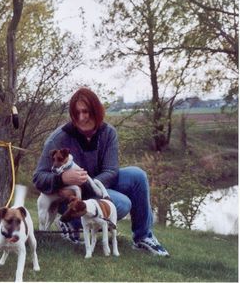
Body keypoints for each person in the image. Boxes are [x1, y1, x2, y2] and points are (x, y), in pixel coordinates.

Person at [33, 87, 169, 257]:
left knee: (137, 175)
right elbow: (38, 178)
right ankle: (71, 222)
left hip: (97, 187)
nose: (82, 118)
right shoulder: (58, 138)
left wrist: (87, 184)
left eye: (86, 112)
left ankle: (143, 237)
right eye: (77, 113)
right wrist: (62, 178)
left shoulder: (108, 133)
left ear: (96, 111)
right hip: (71, 198)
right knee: (122, 204)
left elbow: (111, 171)